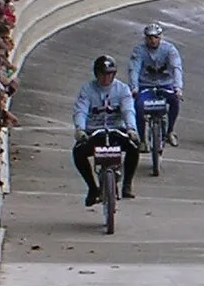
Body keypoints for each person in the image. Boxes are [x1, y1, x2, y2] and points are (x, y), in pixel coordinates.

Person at [71, 55, 138, 206]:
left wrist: (131, 129)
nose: (106, 78)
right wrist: (80, 129)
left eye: (110, 74)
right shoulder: (87, 89)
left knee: (134, 147)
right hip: (94, 131)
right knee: (78, 152)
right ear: (96, 74)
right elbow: (80, 110)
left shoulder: (122, 89)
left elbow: (128, 110)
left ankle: (127, 184)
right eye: (103, 74)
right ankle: (92, 188)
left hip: (116, 130)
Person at [128, 22, 184, 144]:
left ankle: (170, 131)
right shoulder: (139, 51)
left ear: (160, 37)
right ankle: (142, 139)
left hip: (165, 84)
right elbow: (134, 69)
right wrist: (134, 88)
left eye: (155, 37)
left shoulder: (170, 49)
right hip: (146, 85)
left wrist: (178, 88)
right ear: (145, 38)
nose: (153, 40)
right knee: (139, 106)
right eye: (149, 38)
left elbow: (176, 68)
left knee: (175, 100)